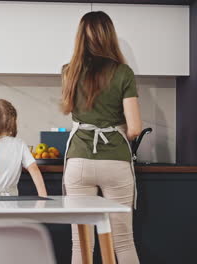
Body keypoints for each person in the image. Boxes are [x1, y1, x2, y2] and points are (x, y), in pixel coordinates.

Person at [61, 11, 142, 264]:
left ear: (80, 37)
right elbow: (135, 128)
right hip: (115, 163)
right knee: (123, 241)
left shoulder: (68, 71)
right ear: (109, 36)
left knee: (81, 244)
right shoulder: (123, 72)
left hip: (79, 162)